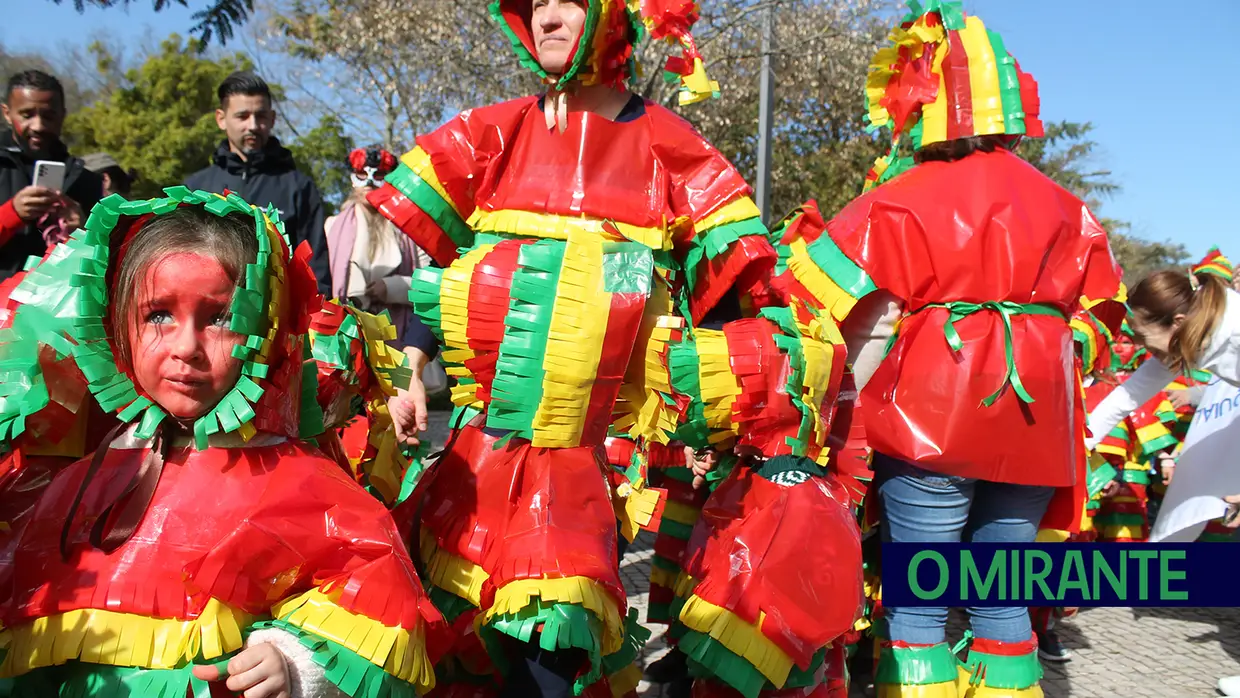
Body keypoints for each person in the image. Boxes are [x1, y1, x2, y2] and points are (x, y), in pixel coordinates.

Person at [368, 0, 794, 693]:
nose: (544, 17)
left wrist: (713, 418)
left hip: (599, 459)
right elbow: (445, 282)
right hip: (480, 450)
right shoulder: (487, 135)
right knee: (467, 641)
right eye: (533, 4)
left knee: (551, 635)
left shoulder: (676, 151)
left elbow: (731, 304)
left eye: (565, 1)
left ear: (614, 13)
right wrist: (410, 372)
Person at [783, 3, 1122, 694]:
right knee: (1002, 595)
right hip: (1035, 427)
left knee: (919, 600)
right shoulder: (1068, 206)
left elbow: (823, 306)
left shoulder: (901, 197)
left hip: (931, 417)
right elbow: (1101, 321)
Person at [0, 190, 443, 695]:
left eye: (219, 318)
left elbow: (372, 596)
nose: (186, 347)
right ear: (118, 321)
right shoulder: (90, 473)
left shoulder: (294, 477)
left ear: (264, 329)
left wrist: (294, 661)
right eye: (158, 314)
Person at [185, 72, 330, 295]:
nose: (252, 125)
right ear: (221, 119)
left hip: (276, 321)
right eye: (242, 116)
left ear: (272, 119)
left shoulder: (299, 187)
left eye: (260, 116)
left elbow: (315, 269)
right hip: (208, 314)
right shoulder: (195, 188)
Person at [0, 70, 102, 279]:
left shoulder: (85, 181)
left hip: (54, 307)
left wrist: (84, 233)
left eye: (48, 116)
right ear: (7, 113)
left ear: (62, 115)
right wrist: (12, 214)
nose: (38, 126)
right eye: (27, 115)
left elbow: (103, 263)